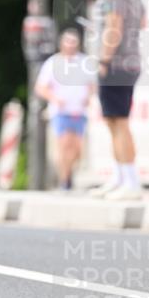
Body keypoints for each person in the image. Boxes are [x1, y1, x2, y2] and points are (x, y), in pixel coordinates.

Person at [89, 0, 146, 200]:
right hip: (128, 60)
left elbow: (114, 25)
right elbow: (142, 21)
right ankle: (121, 176)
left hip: (117, 64)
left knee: (119, 122)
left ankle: (130, 182)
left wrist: (104, 60)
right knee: (113, 121)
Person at [35, 28, 95, 189]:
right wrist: (55, 99)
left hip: (79, 111)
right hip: (60, 112)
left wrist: (88, 97)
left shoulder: (84, 62)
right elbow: (40, 87)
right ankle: (65, 181)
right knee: (64, 145)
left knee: (77, 149)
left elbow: (92, 84)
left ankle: (68, 173)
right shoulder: (52, 63)